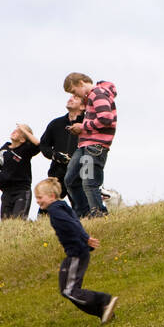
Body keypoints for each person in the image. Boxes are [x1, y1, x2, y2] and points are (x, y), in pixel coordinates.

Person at [35, 178, 118, 324]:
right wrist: (86, 240)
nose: (37, 201)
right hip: (77, 252)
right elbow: (75, 222)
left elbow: (72, 223)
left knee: (69, 291)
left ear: (52, 196)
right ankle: (104, 312)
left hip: (76, 253)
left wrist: (85, 238)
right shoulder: (62, 207)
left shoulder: (55, 210)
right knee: (66, 290)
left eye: (40, 197)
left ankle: (104, 301)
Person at [62, 73, 117, 218]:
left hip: (95, 145)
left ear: (81, 83)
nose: (75, 95)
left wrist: (83, 126)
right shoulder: (92, 97)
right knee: (70, 179)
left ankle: (98, 213)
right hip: (85, 145)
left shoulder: (97, 94)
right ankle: (84, 212)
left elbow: (106, 118)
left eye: (74, 91)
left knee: (89, 182)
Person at [39, 94, 84, 209]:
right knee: (48, 204)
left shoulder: (87, 125)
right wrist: (55, 155)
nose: (70, 98)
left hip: (80, 171)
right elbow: (44, 145)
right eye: (70, 97)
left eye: (75, 98)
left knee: (80, 206)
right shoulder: (56, 124)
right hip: (57, 171)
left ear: (83, 106)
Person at [0, 124, 40, 220]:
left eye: (20, 132)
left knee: (18, 220)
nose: (15, 131)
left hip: (21, 190)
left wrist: (25, 131)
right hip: (6, 191)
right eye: (16, 130)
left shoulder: (26, 150)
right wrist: (2, 174)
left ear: (23, 139)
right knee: (5, 222)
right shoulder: (4, 149)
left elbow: (38, 144)